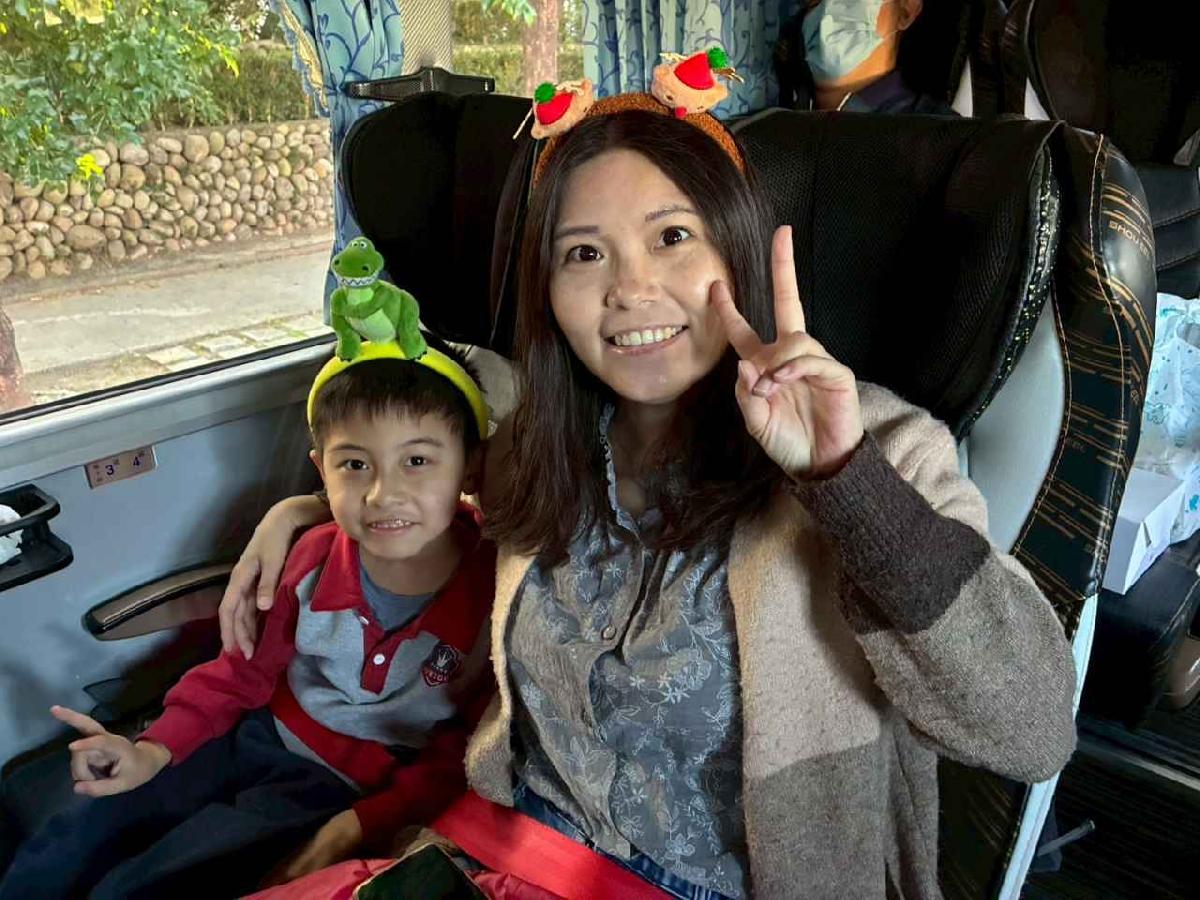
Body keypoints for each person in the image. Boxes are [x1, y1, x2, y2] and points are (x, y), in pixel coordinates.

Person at [218, 88, 1076, 899]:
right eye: (584, 253)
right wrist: (299, 515)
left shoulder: (878, 446)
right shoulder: (539, 444)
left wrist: (844, 481)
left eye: (672, 236)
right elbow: (428, 497)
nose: (629, 289)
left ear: (736, 247)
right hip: (501, 847)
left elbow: (1031, 732)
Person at [0, 333, 495, 900]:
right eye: (355, 464)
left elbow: (467, 752)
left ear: (470, 468)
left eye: (417, 461)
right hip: (260, 729)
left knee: (156, 880)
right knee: (76, 835)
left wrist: (361, 823)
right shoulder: (311, 559)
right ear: (322, 471)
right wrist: (152, 750)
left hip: (346, 787)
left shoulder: (494, 594)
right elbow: (241, 672)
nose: (383, 494)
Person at [775, 0, 961, 115]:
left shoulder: (943, 139)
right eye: (815, 1)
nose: (827, 12)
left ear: (905, 11)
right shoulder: (772, 116)